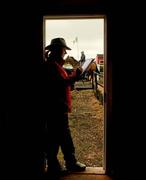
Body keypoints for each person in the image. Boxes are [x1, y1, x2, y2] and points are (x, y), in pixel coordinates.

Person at [42, 37, 86, 178]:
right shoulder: (52, 66)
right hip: (56, 108)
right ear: (58, 50)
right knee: (58, 137)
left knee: (58, 136)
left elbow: (61, 83)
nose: (64, 53)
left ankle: (60, 164)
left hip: (57, 107)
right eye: (63, 50)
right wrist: (75, 76)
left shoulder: (54, 65)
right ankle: (64, 164)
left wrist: (73, 76)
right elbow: (60, 84)